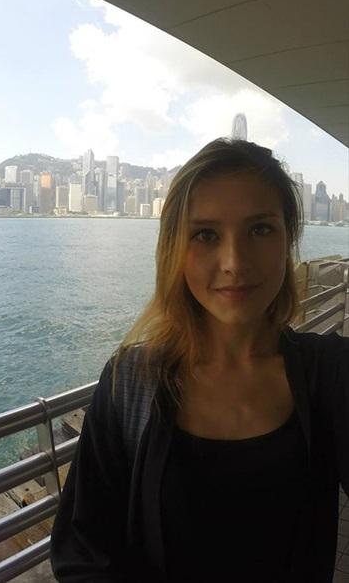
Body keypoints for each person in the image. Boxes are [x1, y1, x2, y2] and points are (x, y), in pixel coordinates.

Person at [50, 138, 349, 582]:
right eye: (206, 235)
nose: (234, 262)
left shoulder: (332, 372)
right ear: (174, 249)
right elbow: (84, 549)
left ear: (288, 239)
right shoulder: (130, 381)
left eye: (260, 229)